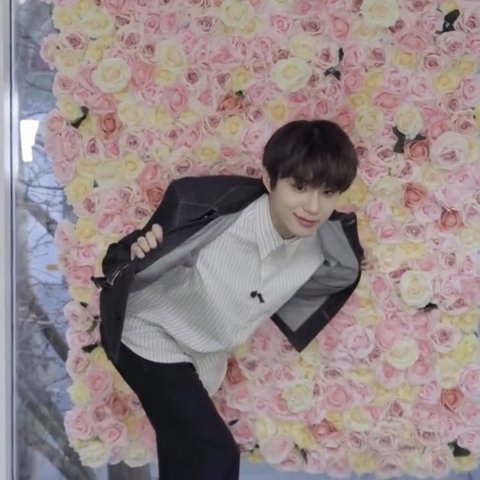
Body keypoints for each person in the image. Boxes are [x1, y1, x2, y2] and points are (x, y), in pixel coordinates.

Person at [95, 119, 364, 480]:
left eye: (328, 193)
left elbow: (341, 273)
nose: (313, 206)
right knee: (215, 452)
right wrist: (138, 252)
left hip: (204, 359)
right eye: (299, 187)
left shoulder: (324, 248)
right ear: (269, 179)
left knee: (184, 459)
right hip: (147, 335)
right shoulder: (219, 221)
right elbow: (135, 264)